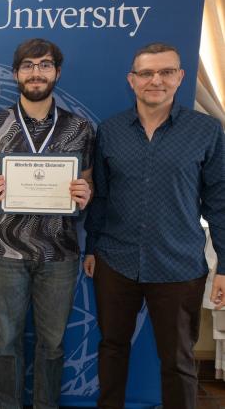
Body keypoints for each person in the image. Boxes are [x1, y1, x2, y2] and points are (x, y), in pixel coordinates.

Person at [83, 42, 225, 409]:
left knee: (178, 359)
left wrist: (224, 265)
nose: (155, 80)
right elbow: (100, 197)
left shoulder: (206, 132)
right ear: (132, 80)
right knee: (112, 347)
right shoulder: (110, 131)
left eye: (165, 72)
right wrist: (92, 248)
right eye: (146, 73)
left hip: (179, 264)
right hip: (115, 260)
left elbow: (220, 202)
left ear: (180, 77)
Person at [0, 38, 94, 409]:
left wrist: (86, 192)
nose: (36, 72)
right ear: (15, 73)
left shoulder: (80, 128)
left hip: (60, 253)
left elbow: (88, 182)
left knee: (52, 343)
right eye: (28, 65)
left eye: (44, 64)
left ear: (57, 72)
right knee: (6, 341)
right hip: (5, 252)